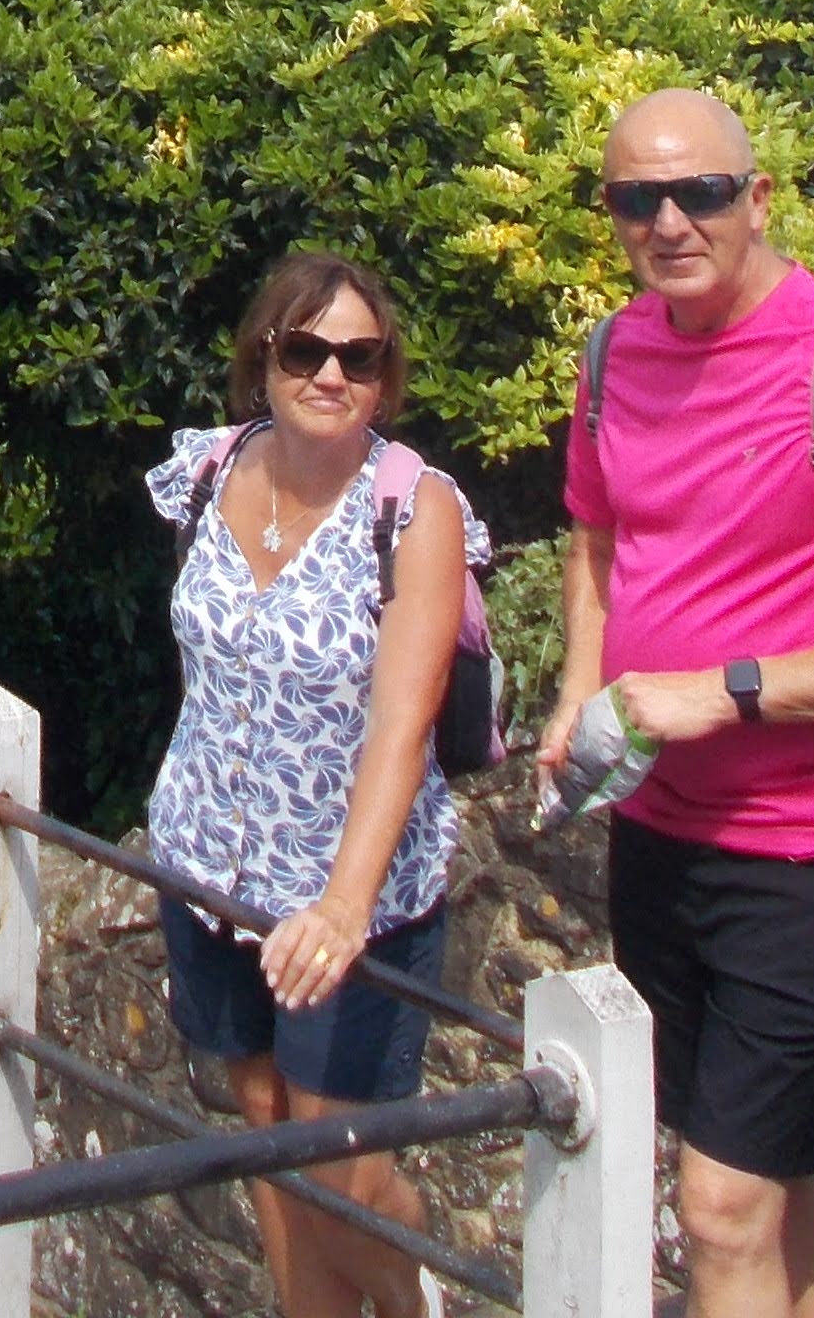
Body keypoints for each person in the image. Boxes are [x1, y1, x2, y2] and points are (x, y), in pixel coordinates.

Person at [534, 89, 814, 1318]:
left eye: (701, 193)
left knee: (719, 1207)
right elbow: (596, 538)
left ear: (759, 198)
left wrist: (728, 690)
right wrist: (578, 691)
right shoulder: (613, 355)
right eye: (638, 200)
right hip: (661, 831)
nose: (670, 222)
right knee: (770, 1186)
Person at [142, 251, 486, 1318]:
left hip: (347, 902)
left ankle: (420, 1305)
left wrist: (341, 907)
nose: (330, 374)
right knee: (266, 1139)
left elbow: (402, 724)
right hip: (207, 868)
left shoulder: (412, 510)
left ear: (384, 377)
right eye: (305, 350)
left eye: (358, 357)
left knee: (341, 1171)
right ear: (264, 358)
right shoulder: (210, 471)